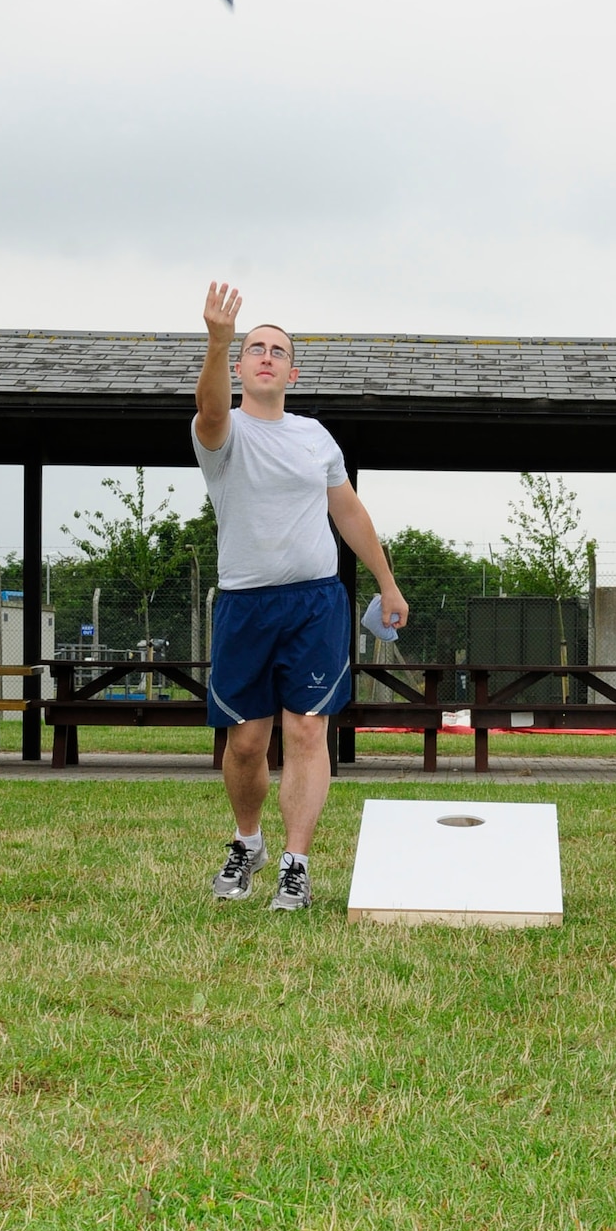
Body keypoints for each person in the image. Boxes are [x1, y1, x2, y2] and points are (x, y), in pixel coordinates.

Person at [193, 281, 408, 910]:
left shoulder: (316, 436)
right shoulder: (222, 431)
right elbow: (208, 411)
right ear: (240, 366)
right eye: (254, 348)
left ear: (291, 369)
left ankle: (296, 864)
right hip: (244, 605)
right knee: (247, 744)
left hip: (315, 602)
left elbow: (349, 513)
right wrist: (216, 340)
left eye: (277, 350)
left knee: (308, 732)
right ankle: (247, 841)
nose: (265, 356)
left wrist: (387, 582)